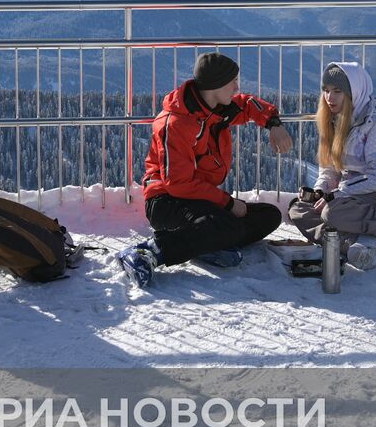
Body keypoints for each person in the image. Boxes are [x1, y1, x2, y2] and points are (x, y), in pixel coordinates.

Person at [119, 52, 293, 288]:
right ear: (216, 85)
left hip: (198, 199)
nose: (236, 87)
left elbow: (248, 104)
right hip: (166, 202)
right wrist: (228, 203)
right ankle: (148, 252)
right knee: (227, 224)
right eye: (232, 81)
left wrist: (274, 124)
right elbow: (178, 184)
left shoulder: (216, 107)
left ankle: (204, 244)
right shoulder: (176, 123)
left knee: (268, 216)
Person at [287, 62, 376, 271]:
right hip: (353, 196)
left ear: (354, 92)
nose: (330, 98)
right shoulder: (333, 120)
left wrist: (338, 195)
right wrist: (321, 190)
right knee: (299, 207)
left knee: (332, 212)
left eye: (337, 91)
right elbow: (329, 169)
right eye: (326, 91)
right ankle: (364, 244)